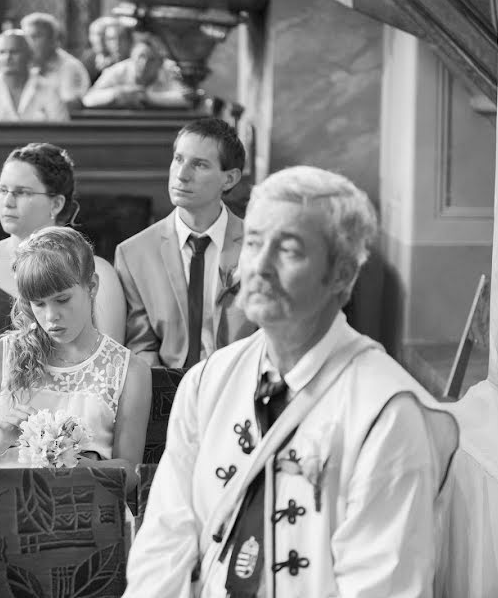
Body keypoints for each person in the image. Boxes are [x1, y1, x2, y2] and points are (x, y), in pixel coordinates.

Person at [124, 166, 459, 597]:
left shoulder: (387, 414)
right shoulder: (209, 379)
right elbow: (165, 538)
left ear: (342, 275)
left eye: (290, 250)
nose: (259, 267)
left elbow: (384, 586)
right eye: (255, 243)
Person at [0, 227, 150, 489]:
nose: (51, 317)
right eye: (39, 303)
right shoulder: (0, 355)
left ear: (91, 286)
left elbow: (131, 474)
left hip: (85, 507)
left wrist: (69, 461)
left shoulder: (130, 370)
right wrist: (0, 438)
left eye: (62, 300)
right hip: (3, 506)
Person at [0, 142, 126, 359]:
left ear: (56, 203)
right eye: (2, 191)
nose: (7, 202)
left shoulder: (100, 273)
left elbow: (111, 359)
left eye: (22, 192)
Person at [116, 119, 255, 368]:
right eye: (178, 159)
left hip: (241, 386)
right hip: (168, 391)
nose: (181, 175)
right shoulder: (133, 253)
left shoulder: (257, 246)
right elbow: (142, 344)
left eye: (199, 165)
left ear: (230, 179)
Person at [0, 30, 68, 122]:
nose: (7, 57)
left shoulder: (49, 89)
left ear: (29, 54)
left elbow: (62, 133)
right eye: (2, 52)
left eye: (14, 51)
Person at [82, 35, 190, 109]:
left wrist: (148, 98)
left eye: (151, 59)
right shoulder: (118, 70)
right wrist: (117, 94)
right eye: (140, 57)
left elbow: (187, 98)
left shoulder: (170, 69)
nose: (144, 64)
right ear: (132, 57)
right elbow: (88, 99)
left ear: (160, 63)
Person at [20, 12, 91, 109]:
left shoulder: (69, 67)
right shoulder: (24, 65)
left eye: (35, 37)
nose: (29, 42)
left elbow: (70, 105)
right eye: (26, 37)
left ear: (53, 40)